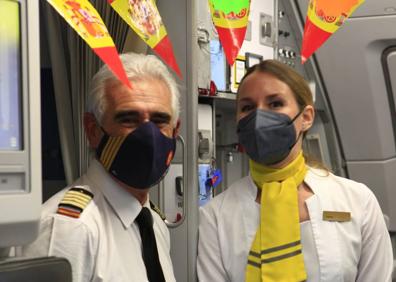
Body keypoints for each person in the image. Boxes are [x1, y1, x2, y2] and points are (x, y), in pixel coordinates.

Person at [197, 60, 393, 282]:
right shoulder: (216, 216)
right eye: (248, 107)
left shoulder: (358, 201)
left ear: (306, 117)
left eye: (275, 104)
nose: (259, 117)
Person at [22, 52, 180, 282]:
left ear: (175, 131)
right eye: (128, 119)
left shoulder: (154, 224)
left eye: (159, 121)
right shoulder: (70, 228)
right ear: (93, 130)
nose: (149, 135)